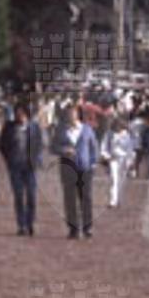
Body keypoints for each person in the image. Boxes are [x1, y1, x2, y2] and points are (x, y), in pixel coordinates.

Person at [54, 100, 99, 240]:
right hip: (67, 167)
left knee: (86, 197)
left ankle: (87, 227)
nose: (70, 116)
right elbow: (53, 147)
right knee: (69, 198)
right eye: (68, 114)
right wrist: (63, 150)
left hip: (85, 168)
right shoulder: (61, 130)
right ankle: (73, 228)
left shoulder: (87, 129)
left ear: (78, 115)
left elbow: (94, 147)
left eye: (73, 113)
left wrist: (93, 163)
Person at [0, 100, 45, 237]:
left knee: (31, 196)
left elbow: (40, 144)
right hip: (15, 166)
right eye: (17, 113)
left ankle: (30, 222)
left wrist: (37, 159)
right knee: (18, 195)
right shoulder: (9, 127)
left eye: (22, 113)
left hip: (30, 166)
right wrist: (8, 160)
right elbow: (3, 145)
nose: (19, 116)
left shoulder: (34, 127)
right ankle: (21, 225)